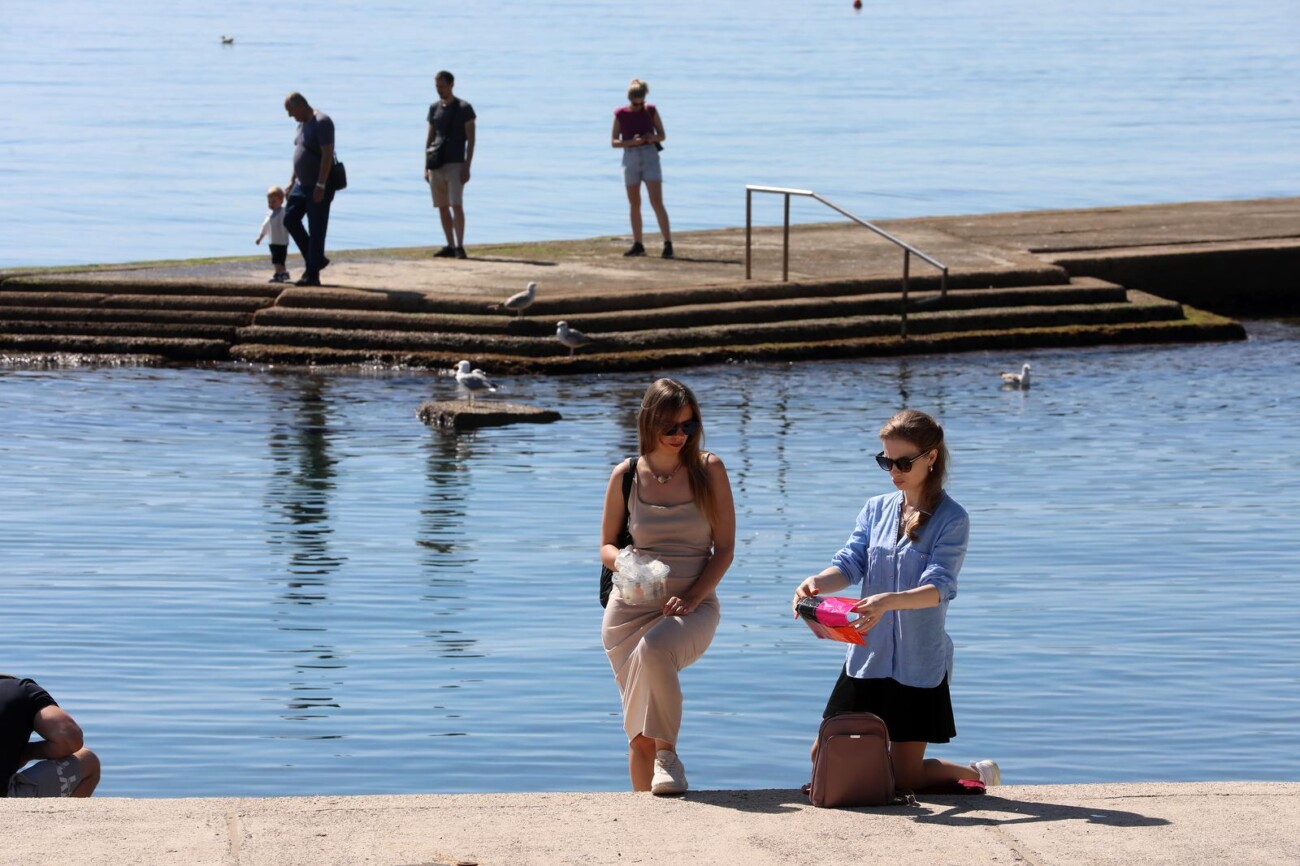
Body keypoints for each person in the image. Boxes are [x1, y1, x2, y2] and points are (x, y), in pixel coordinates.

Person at [792, 409, 1001, 792]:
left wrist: (887, 601)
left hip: (918, 663)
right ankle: (877, 777)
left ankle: (977, 773)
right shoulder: (876, 508)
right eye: (885, 461)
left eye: (903, 462)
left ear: (931, 457)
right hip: (866, 657)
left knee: (905, 778)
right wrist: (816, 582)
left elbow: (938, 588)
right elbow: (850, 563)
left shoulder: (953, 519)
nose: (894, 470)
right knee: (822, 755)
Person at [600, 378, 735, 795]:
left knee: (656, 649)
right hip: (629, 607)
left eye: (689, 427)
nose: (681, 436)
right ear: (649, 423)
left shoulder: (709, 469)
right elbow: (605, 545)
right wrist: (625, 559)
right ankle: (646, 827)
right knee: (638, 732)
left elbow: (725, 549)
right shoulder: (625, 475)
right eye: (671, 427)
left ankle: (669, 756)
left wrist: (693, 597)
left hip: (692, 606)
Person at [1, 674, 100, 798]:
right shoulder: (22, 689)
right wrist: (27, 753)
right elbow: (70, 738)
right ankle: (66, 817)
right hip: (6, 798)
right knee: (89, 760)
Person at [611, 79, 673, 259]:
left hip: (649, 155)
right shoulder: (620, 114)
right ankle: (638, 243)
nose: (637, 105)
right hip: (630, 156)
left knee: (656, 201)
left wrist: (650, 138)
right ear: (630, 98)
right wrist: (632, 142)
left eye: (640, 102)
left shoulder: (651, 110)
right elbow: (614, 141)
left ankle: (667, 243)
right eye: (634, 102)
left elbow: (662, 135)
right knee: (634, 203)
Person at [283, 91, 335, 286]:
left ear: (300, 105)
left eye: (290, 111)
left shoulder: (322, 122)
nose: (289, 115)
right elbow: (300, 153)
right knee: (290, 219)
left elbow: (327, 154)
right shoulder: (301, 124)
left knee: (316, 229)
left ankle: (312, 275)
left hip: (318, 185)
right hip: (300, 184)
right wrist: (291, 180)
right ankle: (316, 259)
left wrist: (321, 184)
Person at [425, 70, 476, 260]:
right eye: (437, 86)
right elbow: (430, 137)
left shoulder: (464, 108)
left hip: (456, 163)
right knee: (442, 205)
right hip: (436, 163)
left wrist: (467, 165)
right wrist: (426, 166)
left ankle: (460, 246)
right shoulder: (434, 108)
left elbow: (471, 140)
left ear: (451, 85)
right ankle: (450, 244)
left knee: (456, 204)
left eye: (442, 86)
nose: (439, 89)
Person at [255, 185, 290, 283]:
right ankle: (282, 273)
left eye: (274, 201)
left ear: (281, 201)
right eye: (269, 202)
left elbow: (290, 209)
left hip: (282, 240)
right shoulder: (269, 214)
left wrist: (287, 196)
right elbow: (264, 226)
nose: (271, 204)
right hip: (273, 241)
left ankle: (280, 273)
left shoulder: (283, 211)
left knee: (279, 259)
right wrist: (260, 237)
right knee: (276, 259)